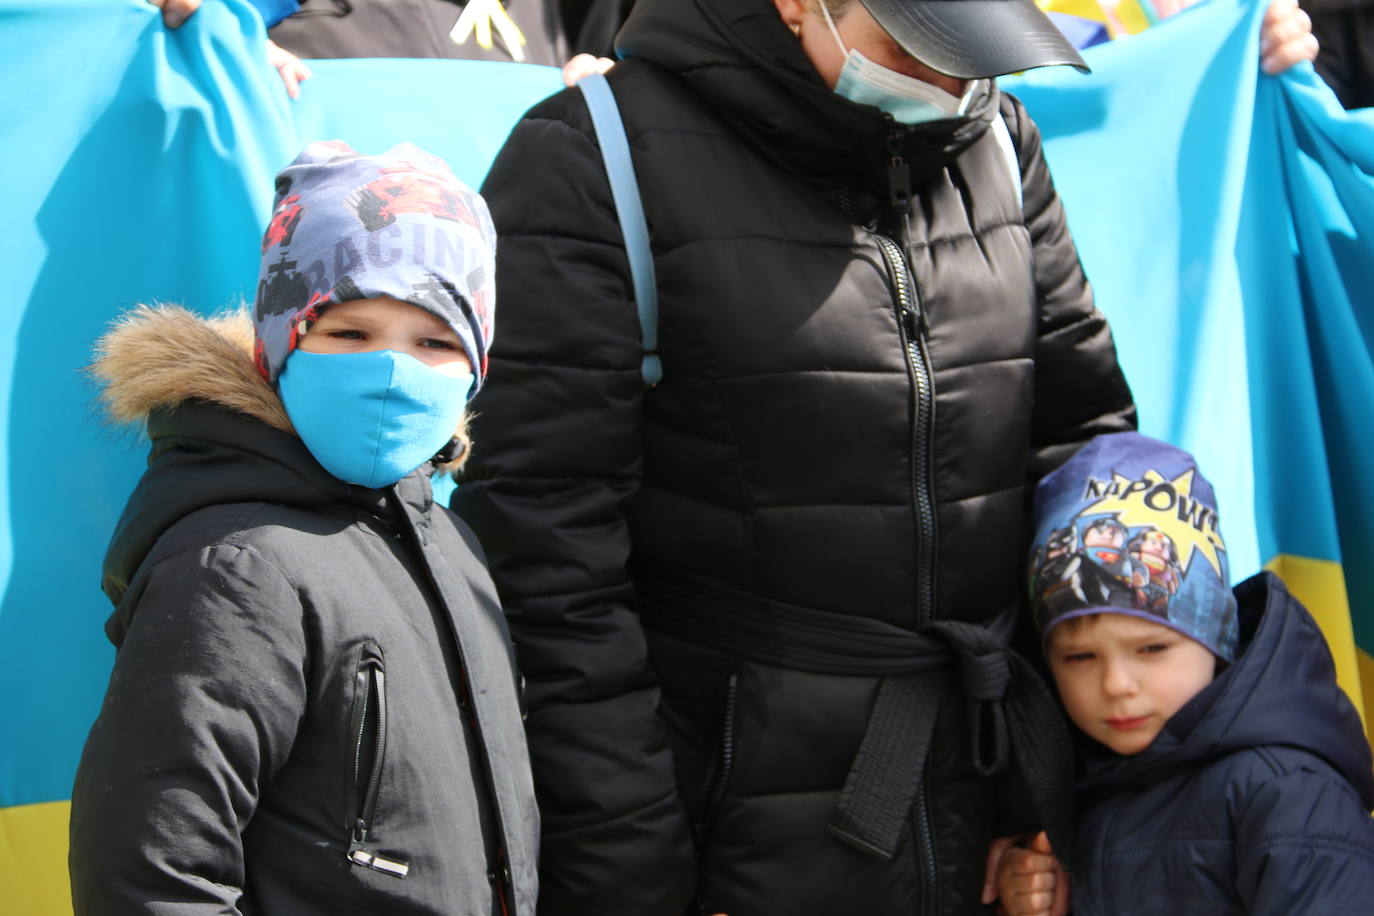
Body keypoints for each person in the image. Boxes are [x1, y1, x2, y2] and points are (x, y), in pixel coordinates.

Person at [457, 0, 1141, 912]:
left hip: (986, 816)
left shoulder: (1000, 146)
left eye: (976, 51)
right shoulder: (595, 158)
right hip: (725, 831)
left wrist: (1056, 783)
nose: (949, 82)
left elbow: (1080, 458)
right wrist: (632, 869)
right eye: (914, 44)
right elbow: (543, 563)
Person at [68, 141, 538, 915]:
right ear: (278, 345)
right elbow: (152, 873)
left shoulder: (449, 542)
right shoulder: (236, 566)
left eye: (434, 341)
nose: (392, 370)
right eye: (350, 334)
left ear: (476, 364)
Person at [993, 432, 1374, 916]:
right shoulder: (1080, 786)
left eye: (1152, 647)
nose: (1116, 685)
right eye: (1079, 657)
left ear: (1218, 639)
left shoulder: (1285, 793)